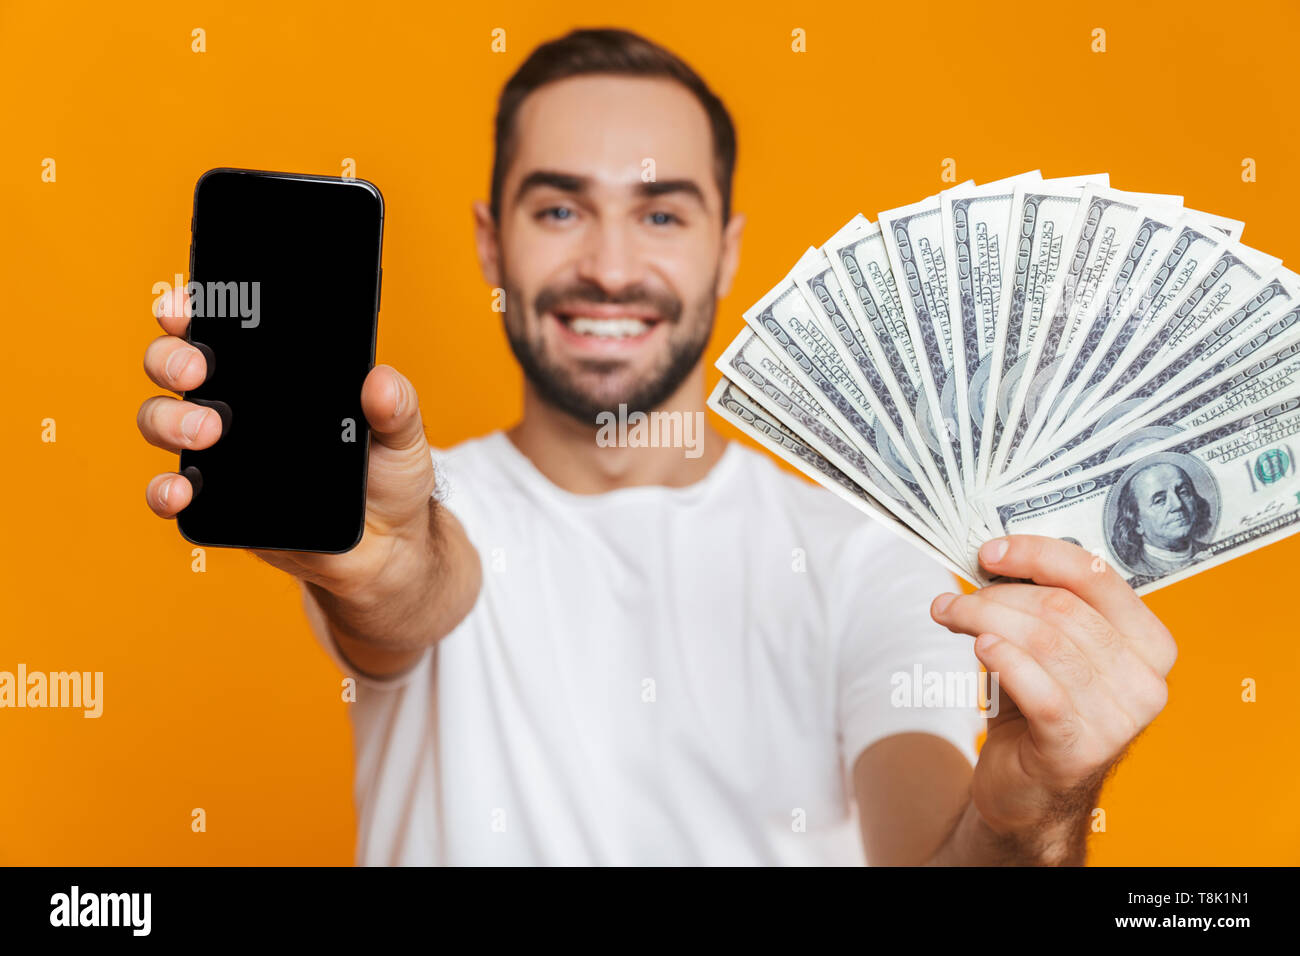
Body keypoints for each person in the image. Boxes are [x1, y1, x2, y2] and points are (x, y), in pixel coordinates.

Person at [137, 27, 1177, 865]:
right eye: (558, 207)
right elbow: (410, 596)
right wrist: (378, 576)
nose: (609, 265)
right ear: (491, 239)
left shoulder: (869, 555)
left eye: (661, 214)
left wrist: (1027, 813)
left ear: (724, 245)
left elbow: (935, 853)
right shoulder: (411, 506)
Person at [1113, 460, 1214, 575]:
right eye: (1160, 500)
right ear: (1137, 523)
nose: (1178, 504)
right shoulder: (1133, 571)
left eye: (1183, 492)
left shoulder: (1217, 550)